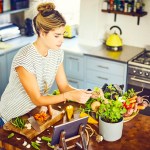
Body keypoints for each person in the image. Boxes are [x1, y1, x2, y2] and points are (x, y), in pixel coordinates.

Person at [0, 2, 92, 127]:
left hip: (31, 113)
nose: (62, 40)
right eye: (57, 35)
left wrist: (86, 94)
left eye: (63, 34)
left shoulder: (57, 52)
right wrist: (68, 96)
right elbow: (37, 99)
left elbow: (63, 86)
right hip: (9, 116)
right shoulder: (25, 58)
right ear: (42, 33)